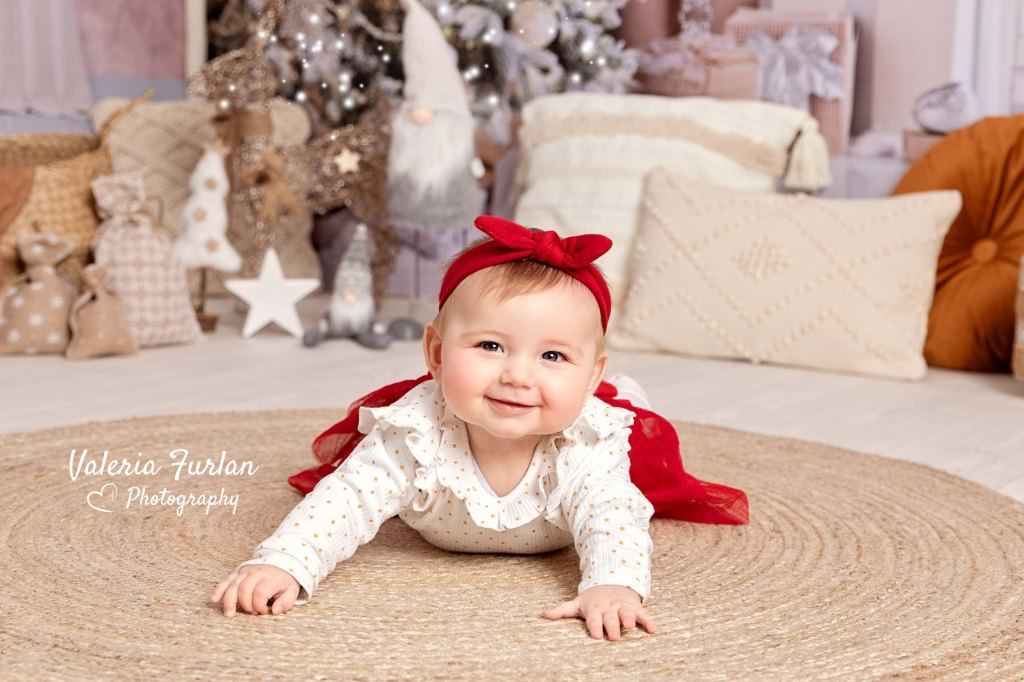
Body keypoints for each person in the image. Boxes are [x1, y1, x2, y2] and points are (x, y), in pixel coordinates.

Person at [211, 216, 748, 640]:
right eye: (491, 345)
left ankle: (621, 389)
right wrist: (285, 564)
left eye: (553, 355)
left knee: (633, 423)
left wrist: (613, 584)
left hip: (590, 418)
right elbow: (346, 499)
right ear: (436, 352)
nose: (517, 376)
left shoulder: (587, 441)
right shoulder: (414, 431)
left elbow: (612, 516)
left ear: (590, 377)